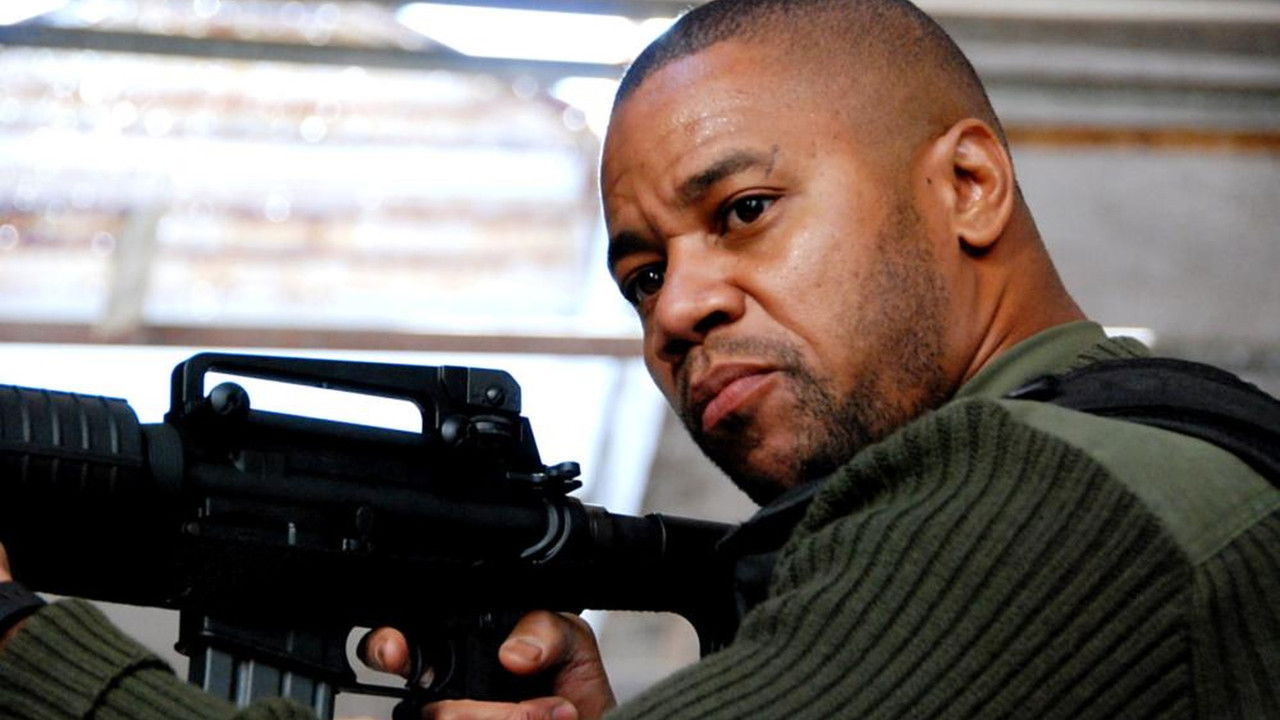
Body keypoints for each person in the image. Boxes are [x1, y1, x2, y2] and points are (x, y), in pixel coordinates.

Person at [2, 0, 1277, 718]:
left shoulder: (1048, 496)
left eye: (744, 211)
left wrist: (21, 655)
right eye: (642, 275)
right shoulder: (1153, 465)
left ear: (967, 184)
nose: (677, 311)